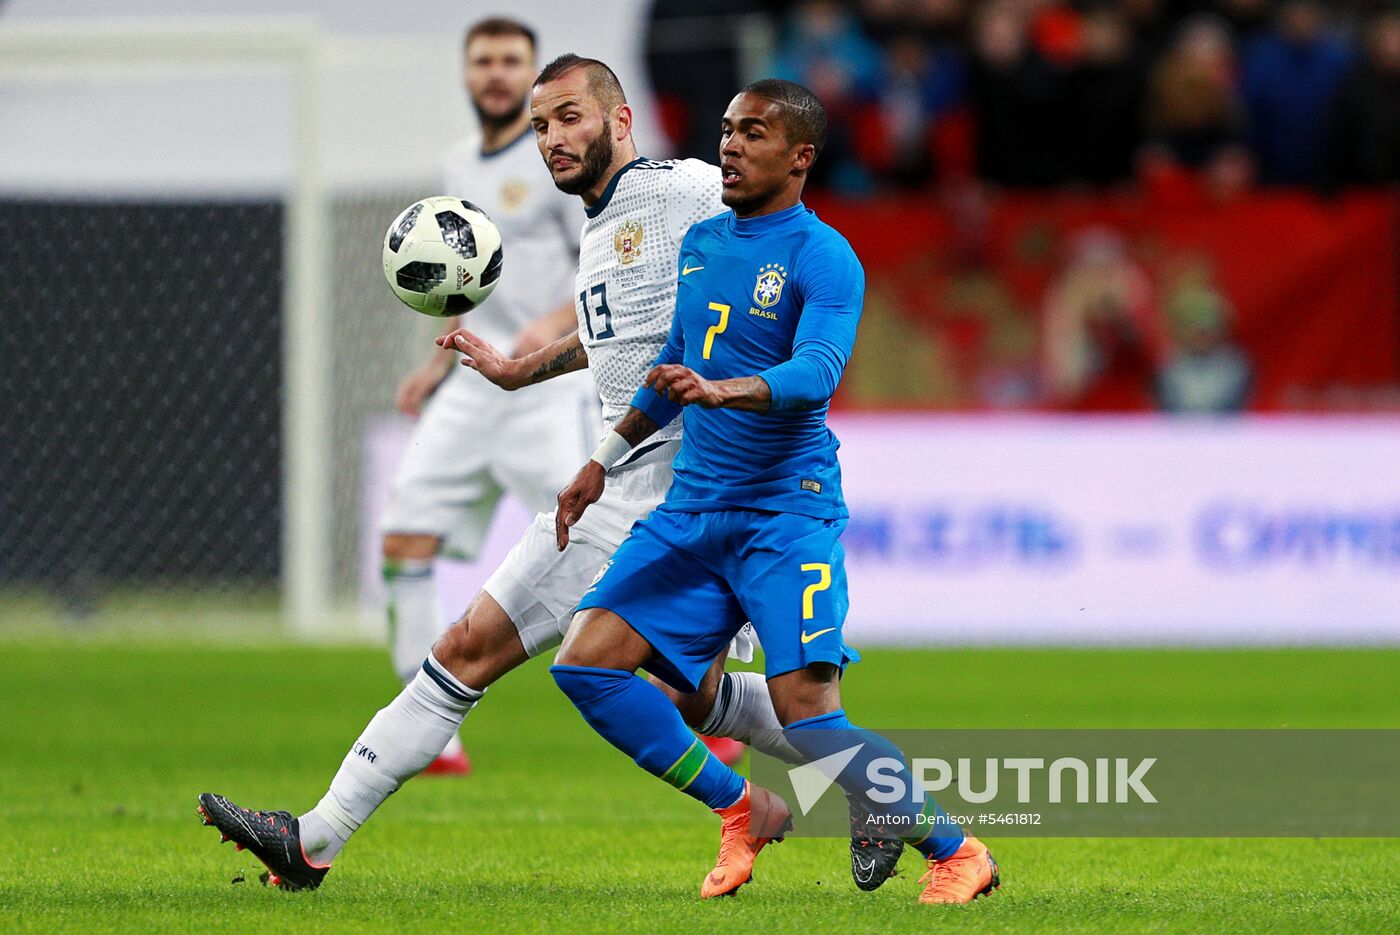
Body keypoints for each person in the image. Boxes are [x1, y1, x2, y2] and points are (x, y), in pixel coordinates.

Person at [197, 54, 893, 893]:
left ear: (621, 119)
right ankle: (313, 838)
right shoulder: (600, 225)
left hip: (689, 492)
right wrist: (521, 369)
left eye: (569, 116)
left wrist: (761, 373)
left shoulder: (683, 190)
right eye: (538, 127)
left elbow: (788, 235)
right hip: (620, 483)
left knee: (656, 687)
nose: (552, 139)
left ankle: (315, 837)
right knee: (613, 678)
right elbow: (625, 337)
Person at [547, 78, 999, 905]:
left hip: (785, 515)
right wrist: (601, 461)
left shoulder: (823, 255)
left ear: (800, 157)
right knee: (585, 666)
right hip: (693, 510)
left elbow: (817, 371)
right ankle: (742, 807)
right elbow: (669, 370)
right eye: (725, 129)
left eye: (753, 133)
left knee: (811, 719)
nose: (730, 144)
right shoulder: (703, 242)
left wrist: (724, 391)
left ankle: (958, 850)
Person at [379, 18, 594, 775]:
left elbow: (596, 266)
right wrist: (432, 369)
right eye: (485, 61)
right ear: (468, 73)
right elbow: (460, 276)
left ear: (533, 75)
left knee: (598, 556)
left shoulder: (560, 160)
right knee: (403, 538)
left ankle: (698, 692)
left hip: (545, 387)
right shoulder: (459, 163)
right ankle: (428, 735)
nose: (497, 74)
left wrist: (553, 322)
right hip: (473, 387)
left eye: (512, 62)